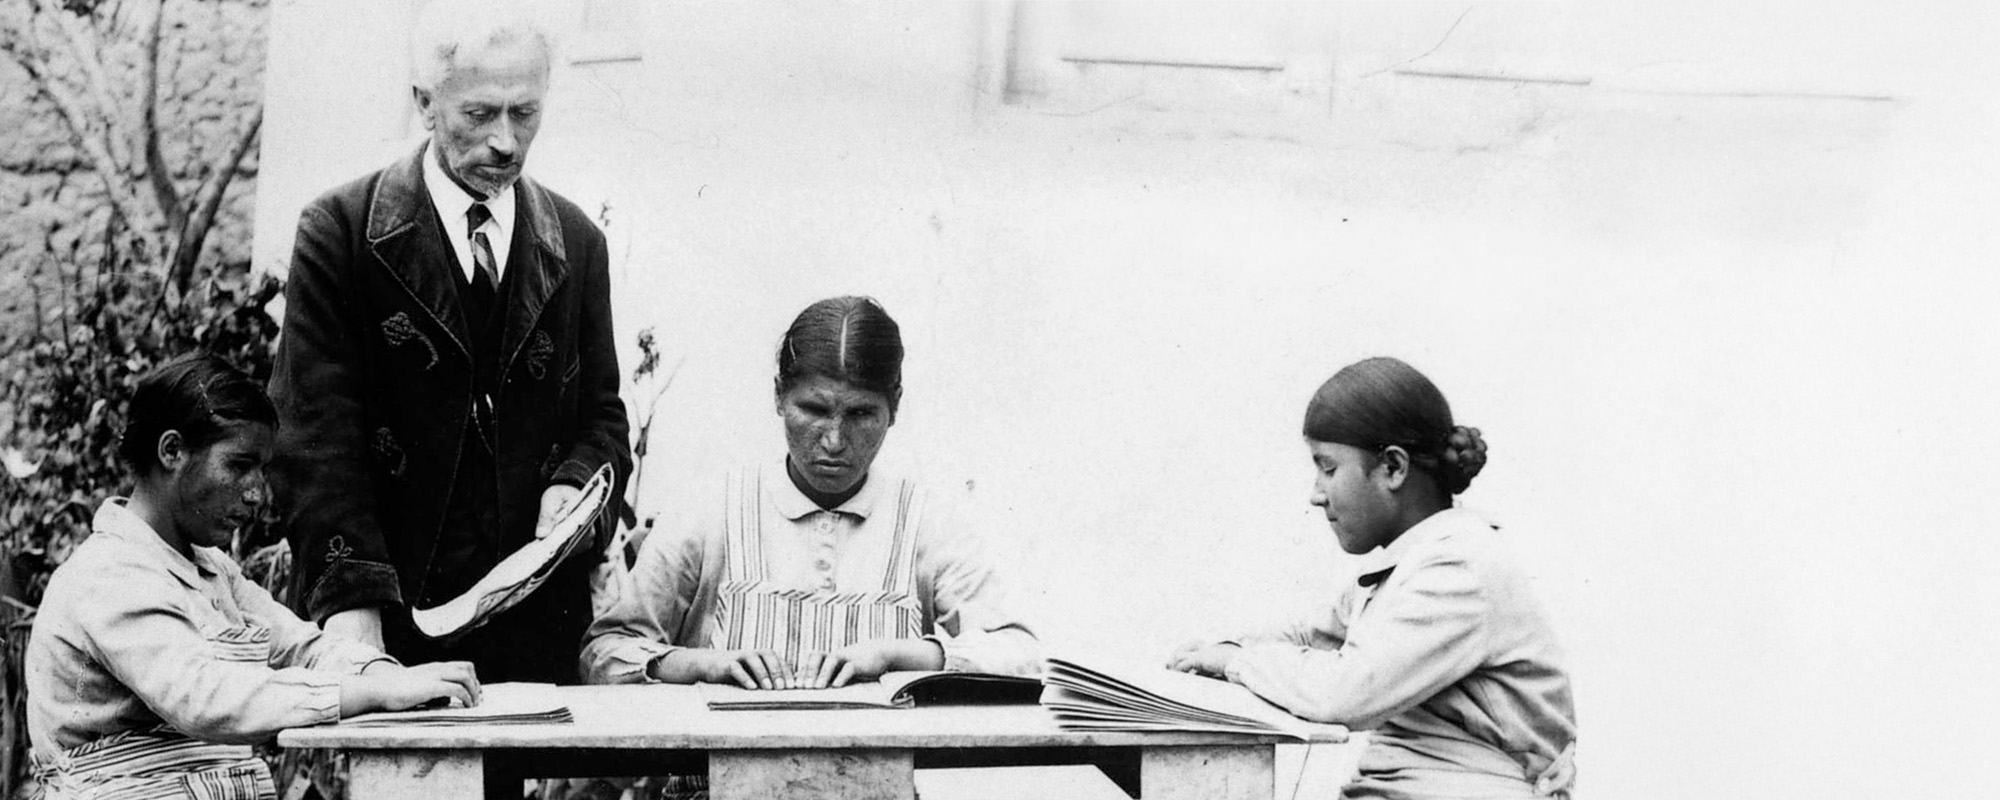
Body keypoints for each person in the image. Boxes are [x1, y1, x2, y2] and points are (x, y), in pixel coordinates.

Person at [269, 0, 630, 684]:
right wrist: (354, 612)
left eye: (525, 113)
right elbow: (314, 437)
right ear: (426, 103)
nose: (506, 142)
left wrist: (574, 487)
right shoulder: (339, 234)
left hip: (534, 629)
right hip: (387, 623)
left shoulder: (578, 244)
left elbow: (605, 420)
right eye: (480, 114)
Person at [26, 353, 482, 800]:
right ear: (171, 451)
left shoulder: (211, 570)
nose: (256, 494)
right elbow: (204, 698)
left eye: (262, 470)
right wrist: (368, 692)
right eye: (239, 465)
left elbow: (300, 647)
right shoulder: (107, 575)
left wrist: (392, 677)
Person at [1168, 357, 1577, 799]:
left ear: (1393, 468)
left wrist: (1234, 661)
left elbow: (1343, 692)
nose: (1316, 493)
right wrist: (1216, 652)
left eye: (1328, 468)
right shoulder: (1413, 563)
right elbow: (1314, 635)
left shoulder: (1459, 566)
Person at [582, 296, 1039, 690]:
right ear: (779, 395)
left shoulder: (925, 523)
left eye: (862, 414)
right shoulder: (711, 512)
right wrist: (702, 665)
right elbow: (604, 654)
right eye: (814, 409)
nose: (835, 440)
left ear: (894, 406)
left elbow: (1021, 657)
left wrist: (899, 655)